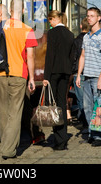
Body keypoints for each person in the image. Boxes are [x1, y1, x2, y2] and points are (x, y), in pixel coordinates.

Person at [0, 0, 37, 159]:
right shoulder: (27, 30)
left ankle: (7, 144)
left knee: (3, 112)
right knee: (15, 113)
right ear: (23, 10)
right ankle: (8, 149)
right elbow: (30, 56)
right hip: (18, 74)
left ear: (10, 10)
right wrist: (32, 78)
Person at [76, 7, 101, 147]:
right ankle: (91, 133)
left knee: (99, 108)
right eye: (88, 16)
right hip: (87, 76)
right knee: (87, 107)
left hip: (97, 77)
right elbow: (82, 56)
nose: (89, 18)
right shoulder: (86, 36)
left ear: (98, 18)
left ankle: (99, 136)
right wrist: (79, 75)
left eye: (92, 16)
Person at [42, 10, 74, 150]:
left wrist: (46, 76)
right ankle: (63, 138)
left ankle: (58, 139)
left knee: (54, 105)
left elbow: (50, 55)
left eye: (50, 20)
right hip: (66, 72)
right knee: (62, 102)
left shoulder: (52, 33)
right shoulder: (70, 34)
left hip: (54, 71)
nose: (50, 23)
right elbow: (72, 56)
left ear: (54, 19)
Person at [71, 17, 89, 127]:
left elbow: (73, 57)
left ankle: (84, 121)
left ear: (81, 26)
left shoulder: (76, 40)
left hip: (79, 72)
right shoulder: (91, 39)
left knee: (81, 99)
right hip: (90, 71)